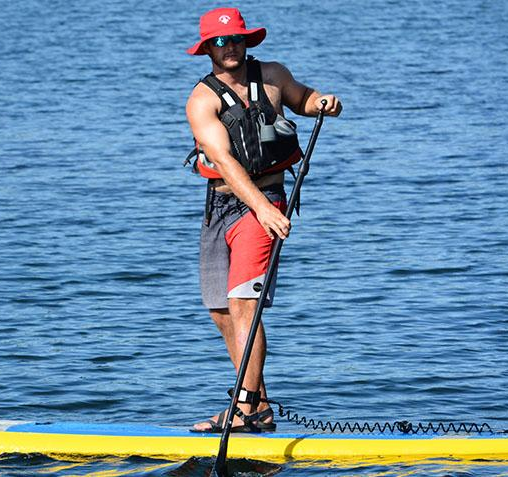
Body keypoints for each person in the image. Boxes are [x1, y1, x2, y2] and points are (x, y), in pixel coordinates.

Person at [185, 7, 342, 433]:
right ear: (206, 50)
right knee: (221, 311)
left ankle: (242, 407)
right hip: (222, 207)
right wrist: (258, 205)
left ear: (247, 40)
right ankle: (259, 407)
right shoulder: (202, 100)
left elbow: (304, 97)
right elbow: (223, 160)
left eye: (235, 38)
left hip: (265, 201)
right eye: (219, 42)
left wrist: (322, 103)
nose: (229, 47)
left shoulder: (272, 75)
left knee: (244, 305)